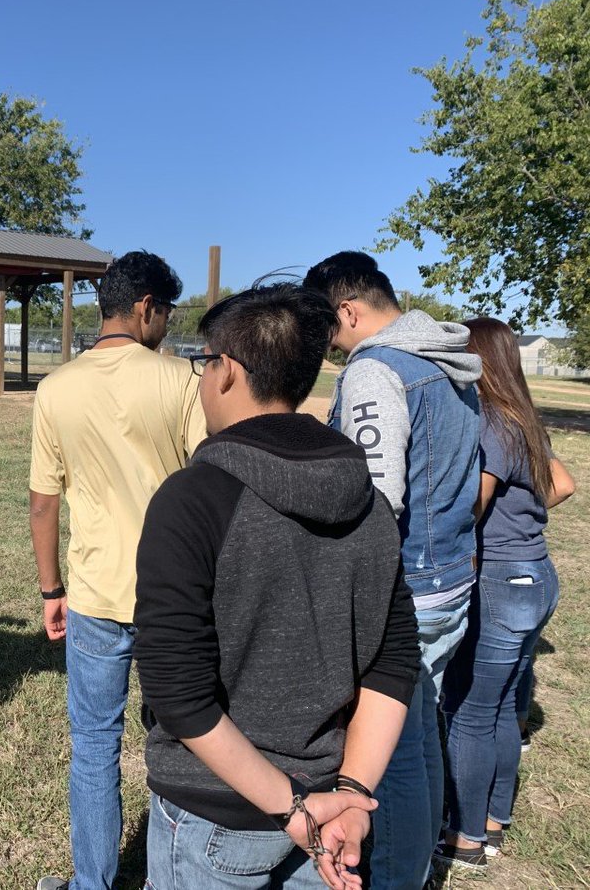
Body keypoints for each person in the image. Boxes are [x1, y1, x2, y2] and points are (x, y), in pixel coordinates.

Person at [134, 283, 419, 890]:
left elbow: (178, 693)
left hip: (216, 815)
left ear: (227, 371)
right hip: (333, 814)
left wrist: (294, 810)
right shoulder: (369, 501)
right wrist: (350, 794)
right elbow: (393, 663)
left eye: (204, 362)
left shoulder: (191, 499)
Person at [29, 250, 207, 890]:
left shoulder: (55, 388)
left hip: (95, 593)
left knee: (95, 748)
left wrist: (52, 588)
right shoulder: (180, 380)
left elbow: (44, 501)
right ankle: (170, 877)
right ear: (144, 308)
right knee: (181, 743)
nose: (165, 324)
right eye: (166, 312)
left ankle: (91, 882)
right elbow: (206, 479)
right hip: (176, 597)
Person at [304, 251, 482, 888]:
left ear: (347, 311)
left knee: (392, 754)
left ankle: (400, 874)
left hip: (405, 586)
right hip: (451, 575)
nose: (323, 346)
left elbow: (374, 500)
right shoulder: (448, 362)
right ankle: (424, 856)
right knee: (423, 729)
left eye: (324, 329)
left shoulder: (376, 371)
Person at [434, 317, 576, 871]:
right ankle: (492, 819)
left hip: (501, 582)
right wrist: (522, 526)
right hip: (536, 575)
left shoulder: (490, 422)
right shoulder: (523, 418)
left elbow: (473, 509)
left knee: (469, 711)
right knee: (498, 711)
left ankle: (466, 838)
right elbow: (563, 484)